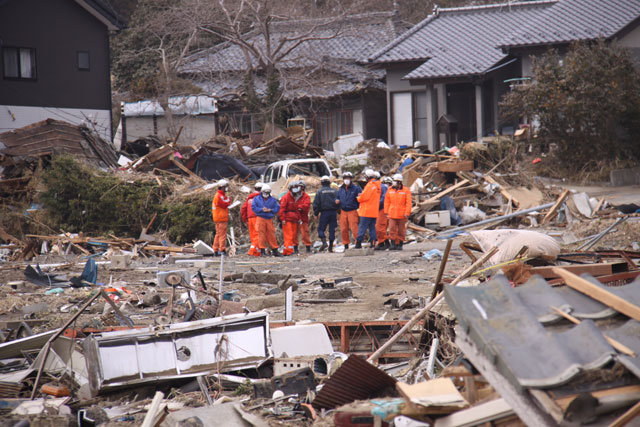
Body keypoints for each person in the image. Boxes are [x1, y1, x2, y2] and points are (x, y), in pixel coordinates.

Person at [251, 184, 282, 257]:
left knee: (271, 234)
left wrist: (270, 210)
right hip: (260, 218)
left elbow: (277, 208)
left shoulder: (273, 200)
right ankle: (262, 251)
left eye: (268, 193)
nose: (266, 194)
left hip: (269, 218)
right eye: (265, 192)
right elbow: (253, 208)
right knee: (261, 235)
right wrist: (262, 209)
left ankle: (275, 250)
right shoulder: (256, 199)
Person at [385, 173, 412, 250]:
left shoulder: (406, 190)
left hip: (402, 214)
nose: (393, 182)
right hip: (392, 214)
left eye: (395, 181)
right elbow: (387, 202)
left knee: (401, 230)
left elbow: (408, 203)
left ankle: (400, 244)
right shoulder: (390, 190)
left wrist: (407, 213)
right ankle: (393, 245)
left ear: (399, 182)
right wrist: (386, 212)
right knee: (392, 229)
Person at [355, 169, 381, 249]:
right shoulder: (377, 186)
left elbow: (364, 197)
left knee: (362, 227)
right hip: (374, 211)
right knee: (372, 227)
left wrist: (358, 197)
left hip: (366, 211)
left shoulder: (369, 185)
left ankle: (358, 243)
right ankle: (373, 243)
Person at [335, 171, 362, 249]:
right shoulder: (341, 189)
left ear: (351, 179)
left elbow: (360, 199)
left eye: (348, 178)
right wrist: (336, 200)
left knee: (354, 228)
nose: (346, 180)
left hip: (352, 211)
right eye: (345, 178)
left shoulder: (356, 188)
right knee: (343, 229)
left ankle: (358, 243)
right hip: (343, 211)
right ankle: (346, 244)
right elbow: (337, 197)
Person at [313, 175, 338, 252]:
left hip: (324, 213)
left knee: (321, 229)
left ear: (321, 183)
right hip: (333, 212)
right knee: (332, 230)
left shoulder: (320, 192)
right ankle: (330, 247)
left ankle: (324, 242)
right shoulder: (334, 191)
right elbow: (338, 202)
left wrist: (316, 214)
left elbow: (316, 204)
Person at [279, 182, 303, 256]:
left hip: (294, 219)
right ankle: (289, 251)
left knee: (294, 236)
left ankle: (293, 249)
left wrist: (299, 219)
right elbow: (281, 209)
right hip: (287, 219)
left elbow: (297, 209)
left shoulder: (295, 197)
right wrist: (283, 219)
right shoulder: (285, 198)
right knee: (289, 236)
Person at [241, 182, 263, 256]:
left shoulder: (249, 198)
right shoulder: (261, 197)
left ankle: (257, 251)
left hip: (250, 218)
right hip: (257, 218)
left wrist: (245, 219)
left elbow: (243, 209)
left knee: (253, 235)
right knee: (258, 234)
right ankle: (252, 250)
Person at [211, 179, 231, 256]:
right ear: (222, 187)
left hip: (218, 218)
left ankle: (215, 249)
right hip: (221, 218)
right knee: (222, 235)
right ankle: (222, 250)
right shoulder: (219, 196)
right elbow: (225, 203)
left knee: (218, 234)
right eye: (225, 187)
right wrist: (229, 198)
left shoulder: (219, 195)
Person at [375, 176, 393, 250]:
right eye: (386, 183)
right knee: (379, 227)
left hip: (385, 210)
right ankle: (382, 242)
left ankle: (385, 242)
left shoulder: (392, 191)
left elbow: (383, 200)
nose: (387, 185)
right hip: (381, 209)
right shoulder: (381, 190)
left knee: (381, 227)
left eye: (388, 183)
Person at [296, 180, 312, 253]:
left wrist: (299, 207)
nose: (300, 189)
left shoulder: (306, 197)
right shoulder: (292, 196)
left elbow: (306, 205)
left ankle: (308, 247)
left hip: (303, 217)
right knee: (293, 234)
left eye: (301, 187)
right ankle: (295, 248)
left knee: (304, 233)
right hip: (294, 218)